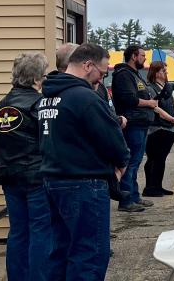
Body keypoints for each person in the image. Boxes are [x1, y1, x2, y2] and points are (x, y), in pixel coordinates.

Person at [39, 43, 130, 280]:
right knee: (89, 255)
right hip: (84, 184)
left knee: (60, 251)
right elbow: (114, 142)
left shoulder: (48, 97)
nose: (101, 80)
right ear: (87, 65)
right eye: (101, 73)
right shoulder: (84, 97)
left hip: (53, 180)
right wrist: (121, 165)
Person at [0, 52, 51, 281]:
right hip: (37, 178)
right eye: (44, 76)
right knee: (41, 231)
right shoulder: (40, 105)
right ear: (36, 79)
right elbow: (48, 143)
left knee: (17, 231)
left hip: (9, 177)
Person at [111, 45, 157, 212]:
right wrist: (149, 103)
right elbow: (129, 99)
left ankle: (134, 196)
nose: (145, 58)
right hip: (132, 123)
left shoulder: (135, 74)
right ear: (133, 56)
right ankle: (125, 200)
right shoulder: (123, 75)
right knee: (129, 162)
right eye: (143, 55)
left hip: (141, 123)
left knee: (136, 162)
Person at [143, 61, 174, 197]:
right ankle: (150, 187)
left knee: (161, 159)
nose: (166, 73)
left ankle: (158, 185)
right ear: (156, 72)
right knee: (154, 158)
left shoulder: (166, 87)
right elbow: (156, 107)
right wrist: (171, 118)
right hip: (157, 127)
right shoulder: (151, 88)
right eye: (163, 71)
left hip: (168, 127)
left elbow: (172, 103)